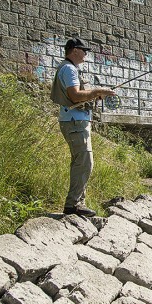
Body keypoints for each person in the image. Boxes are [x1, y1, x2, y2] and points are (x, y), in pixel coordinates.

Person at [50, 37, 115, 217]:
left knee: (81, 163)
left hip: (74, 122)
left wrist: (95, 96)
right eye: (83, 50)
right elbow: (76, 96)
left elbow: (76, 96)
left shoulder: (68, 67)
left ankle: (78, 203)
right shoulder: (70, 69)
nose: (86, 54)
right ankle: (73, 205)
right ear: (74, 50)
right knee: (85, 163)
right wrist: (97, 91)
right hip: (75, 123)